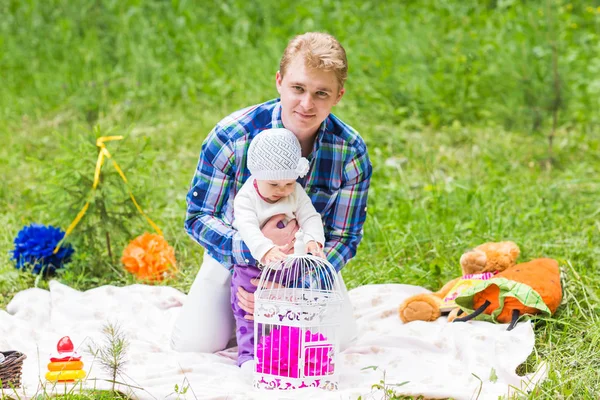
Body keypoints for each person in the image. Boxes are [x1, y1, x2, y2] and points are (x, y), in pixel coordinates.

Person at [170, 32, 372, 360]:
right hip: (236, 257)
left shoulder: (349, 151)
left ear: (338, 95)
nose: (307, 104)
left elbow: (345, 237)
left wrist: (294, 284)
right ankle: (236, 316)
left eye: (321, 93)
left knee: (341, 342)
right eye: (298, 88)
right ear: (279, 81)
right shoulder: (232, 135)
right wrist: (259, 264)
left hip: (304, 261)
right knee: (196, 345)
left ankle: (271, 321)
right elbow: (198, 218)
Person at [231, 127, 327, 370]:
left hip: (290, 266)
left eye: (288, 183)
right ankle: (249, 356)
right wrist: (264, 249)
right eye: (274, 183)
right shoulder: (246, 198)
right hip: (253, 269)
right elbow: (247, 227)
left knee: (289, 311)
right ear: (257, 176)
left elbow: (310, 216)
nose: (283, 190)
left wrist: (315, 239)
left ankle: (285, 351)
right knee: (249, 311)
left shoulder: (294, 191)